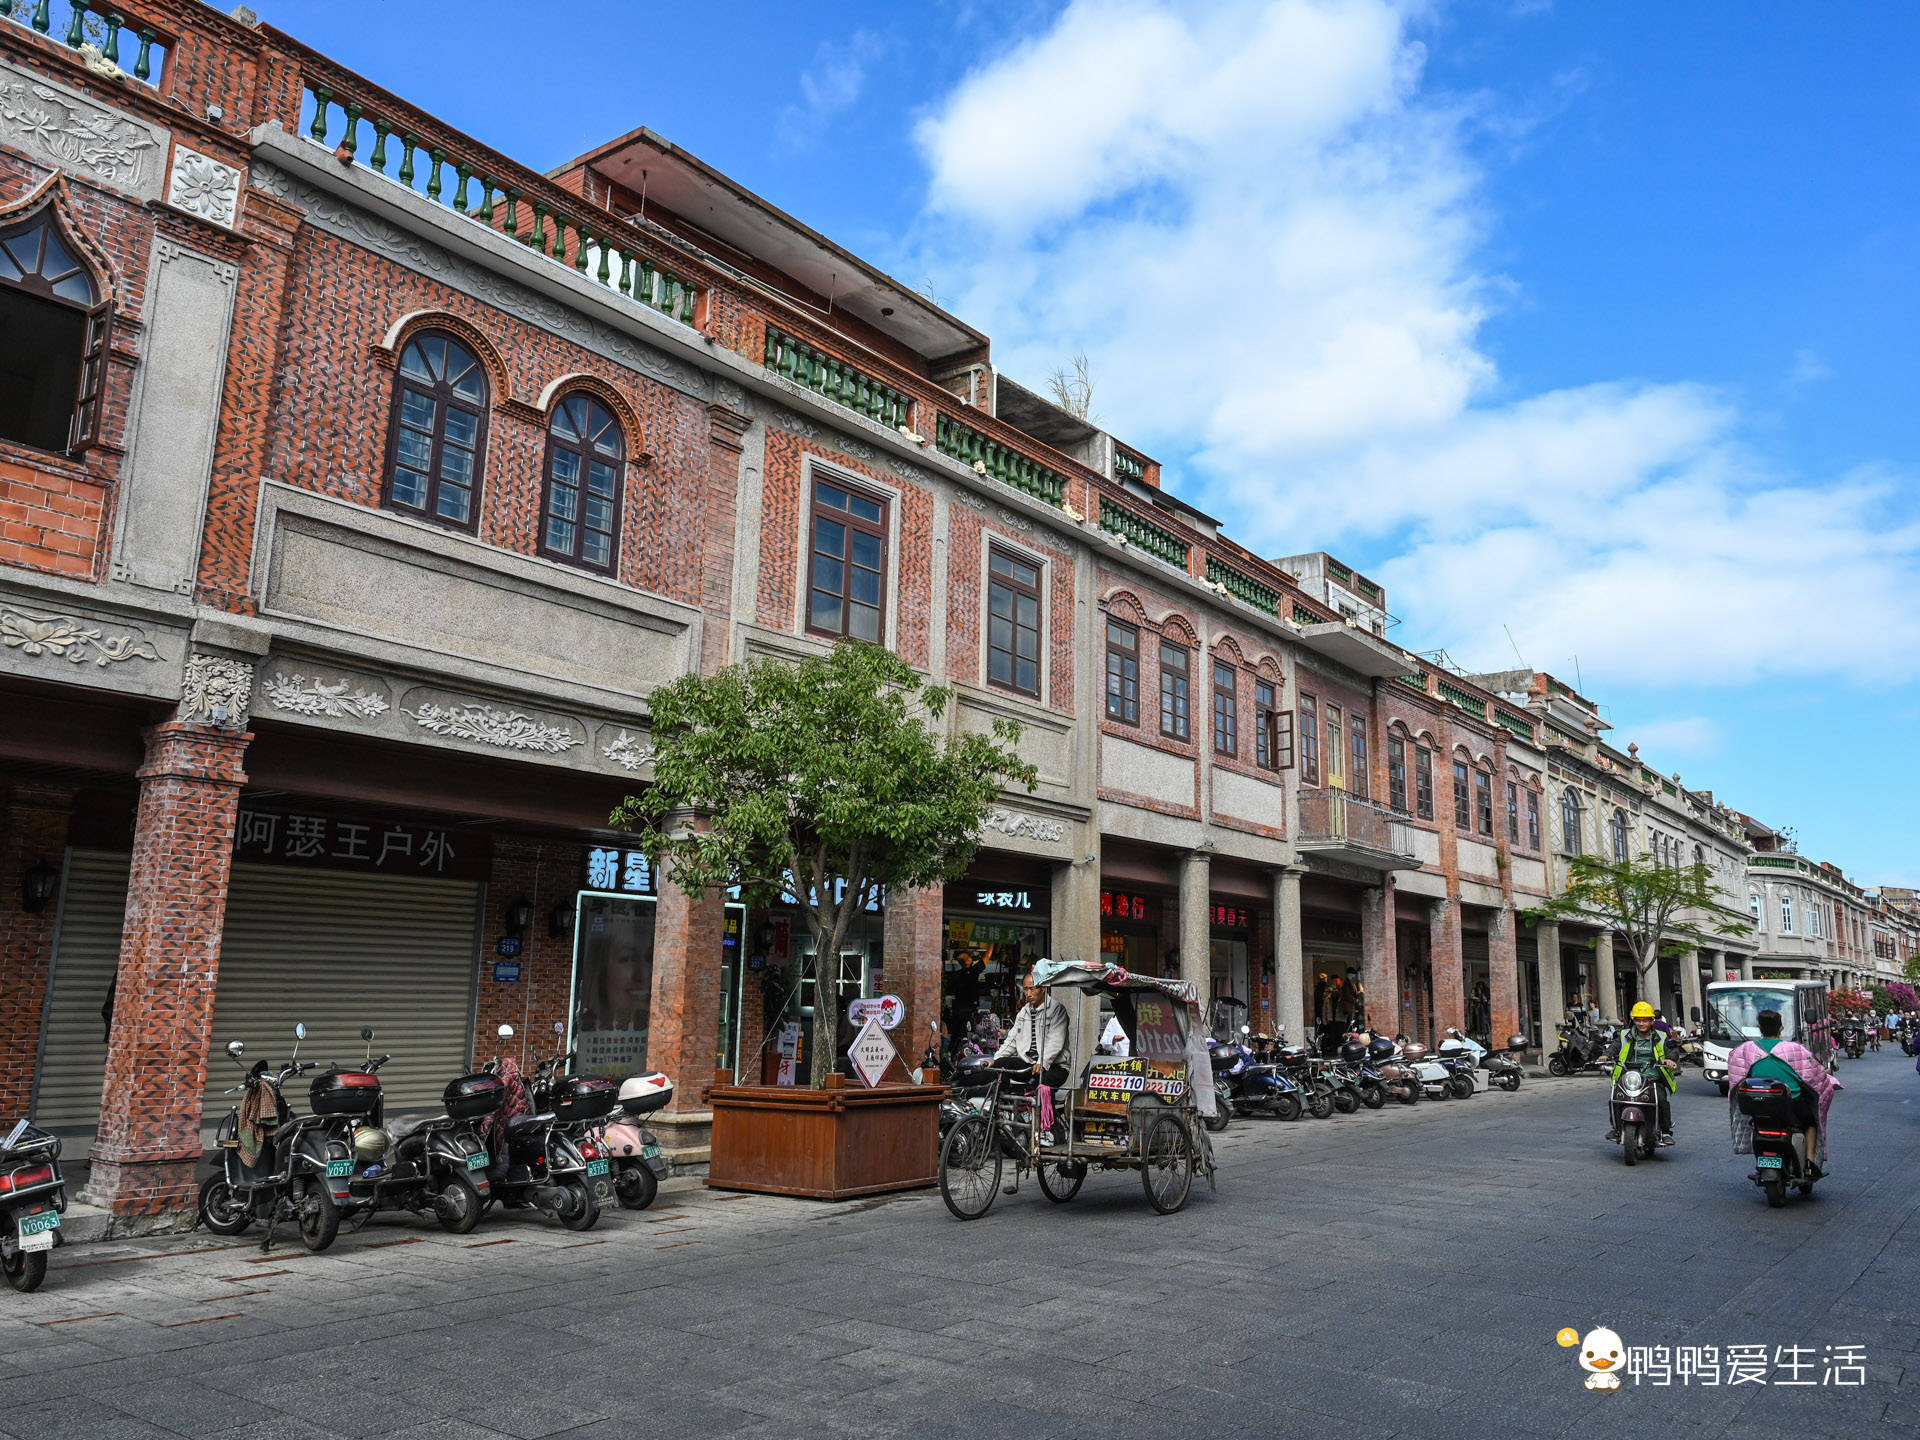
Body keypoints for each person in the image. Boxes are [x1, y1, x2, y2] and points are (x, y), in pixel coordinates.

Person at [1727, 1008, 1840, 1177]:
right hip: (1791, 1103)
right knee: (1810, 1123)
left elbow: (1737, 1079)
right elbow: (1816, 1076)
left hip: (1757, 1106)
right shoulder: (1795, 1049)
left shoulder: (1744, 1050)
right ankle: (1809, 1163)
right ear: (1781, 1028)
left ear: (1759, 1027)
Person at [1608, 1001, 1678, 1146]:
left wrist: (1670, 1059)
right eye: (1638, 1020)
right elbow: (1614, 1047)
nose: (1641, 1024)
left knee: (1661, 1099)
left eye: (1645, 1020)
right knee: (1616, 1098)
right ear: (1634, 1021)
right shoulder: (1623, 1035)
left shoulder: (1662, 1036)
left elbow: (1672, 1050)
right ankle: (1616, 1128)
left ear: (1652, 1021)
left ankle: (1665, 1132)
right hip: (1629, 1076)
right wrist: (1606, 1055)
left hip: (1653, 1077)